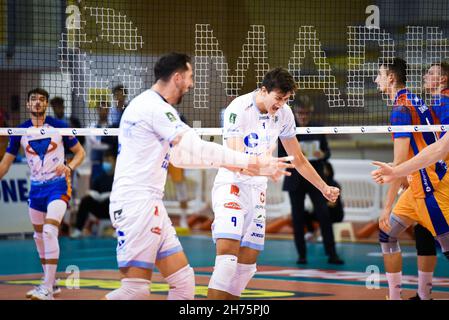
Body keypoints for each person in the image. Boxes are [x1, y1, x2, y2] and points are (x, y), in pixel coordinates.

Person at [104, 52, 293, 300]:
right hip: (135, 204)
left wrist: (237, 165)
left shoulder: (152, 106)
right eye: (190, 77)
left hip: (151, 204)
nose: (191, 84)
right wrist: (252, 162)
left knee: (183, 282)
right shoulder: (153, 107)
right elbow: (198, 147)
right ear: (177, 77)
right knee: (135, 290)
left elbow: (181, 158)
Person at [207, 68, 340, 300]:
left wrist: (324, 187)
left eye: (286, 99)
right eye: (278, 98)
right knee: (227, 261)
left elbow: (297, 158)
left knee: (246, 268)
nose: (281, 104)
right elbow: (237, 159)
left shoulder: (285, 114)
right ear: (263, 90)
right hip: (232, 185)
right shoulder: (238, 109)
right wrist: (265, 167)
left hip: (257, 191)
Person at [372, 58, 449, 300]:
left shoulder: (401, 110)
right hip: (417, 185)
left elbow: (397, 165)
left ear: (391, 78)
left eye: (380, 74)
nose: (376, 79)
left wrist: (386, 208)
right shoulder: (415, 100)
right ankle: (396, 297)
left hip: (431, 188)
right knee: (387, 235)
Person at [0, 88, 85, 300]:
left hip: (58, 186)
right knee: (38, 237)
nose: (38, 103)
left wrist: (70, 167)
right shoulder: (20, 131)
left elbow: (80, 153)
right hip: (36, 189)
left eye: (42, 100)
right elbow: (6, 163)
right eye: (34, 100)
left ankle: (47, 287)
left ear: (46, 105)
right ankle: (51, 282)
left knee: (49, 231)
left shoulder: (60, 127)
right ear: (28, 105)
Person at [278, 96, 344, 265]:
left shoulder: (317, 129)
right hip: (295, 180)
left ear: (310, 113)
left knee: (324, 215)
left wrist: (322, 155)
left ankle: (332, 254)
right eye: (301, 113)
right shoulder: (287, 128)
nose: (304, 116)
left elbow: (327, 152)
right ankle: (301, 255)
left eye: (306, 113)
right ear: (296, 113)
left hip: (316, 178)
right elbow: (281, 156)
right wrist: (296, 158)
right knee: (297, 218)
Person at [70, 150, 116, 238]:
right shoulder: (99, 178)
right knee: (86, 200)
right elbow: (93, 192)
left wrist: (109, 195)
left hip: (113, 207)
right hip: (100, 208)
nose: (107, 163)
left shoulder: (118, 177)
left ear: (114, 162)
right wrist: (92, 194)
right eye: (105, 161)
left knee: (116, 200)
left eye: (109, 161)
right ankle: (78, 230)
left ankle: (118, 229)